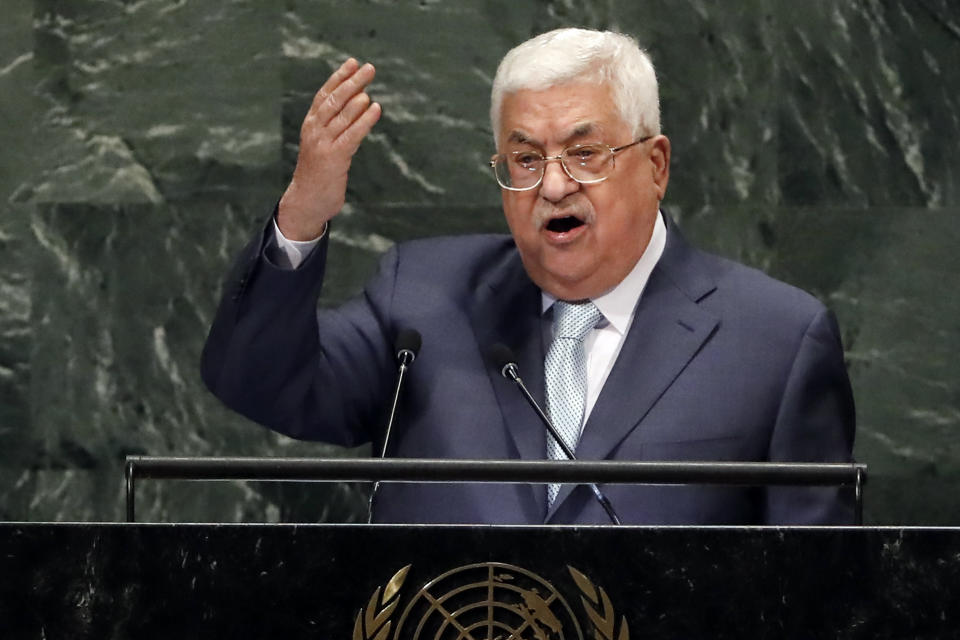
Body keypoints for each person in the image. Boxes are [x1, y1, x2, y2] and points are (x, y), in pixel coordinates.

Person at [201, 28, 855, 525]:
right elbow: (257, 382)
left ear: (656, 166)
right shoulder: (424, 299)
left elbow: (819, 590)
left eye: (584, 153)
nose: (554, 185)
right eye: (525, 159)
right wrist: (304, 215)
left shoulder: (776, 342)